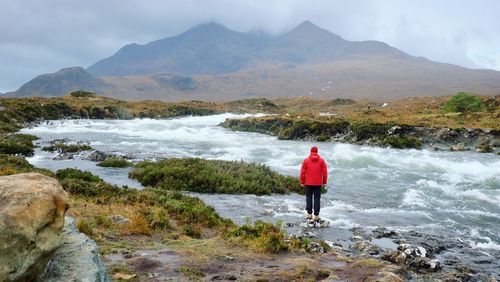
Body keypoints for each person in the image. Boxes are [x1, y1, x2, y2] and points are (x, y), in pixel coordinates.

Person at [300, 146, 328, 221]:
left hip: (308, 183)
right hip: (318, 184)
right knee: (317, 199)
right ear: (317, 152)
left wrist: (302, 182)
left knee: (308, 197)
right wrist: (324, 182)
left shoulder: (306, 161)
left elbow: (302, 172)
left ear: (311, 152)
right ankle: (316, 215)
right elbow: (325, 173)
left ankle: (309, 214)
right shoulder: (322, 161)